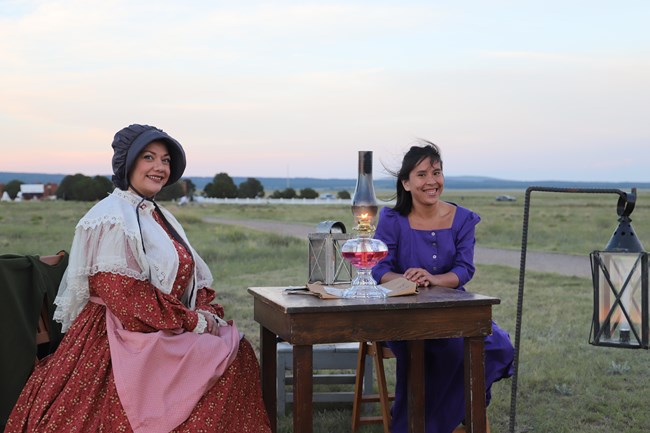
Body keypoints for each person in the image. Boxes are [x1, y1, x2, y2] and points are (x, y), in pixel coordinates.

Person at [5, 124, 271, 433]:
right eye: (149, 157)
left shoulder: (157, 215)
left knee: (234, 348)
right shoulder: (111, 216)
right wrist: (192, 322)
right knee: (224, 355)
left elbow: (192, 278)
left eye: (166, 160)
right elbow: (126, 298)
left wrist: (204, 311)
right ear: (128, 163)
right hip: (121, 332)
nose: (160, 167)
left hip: (161, 325)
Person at [371, 140, 514, 433]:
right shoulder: (392, 219)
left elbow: (464, 270)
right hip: (404, 311)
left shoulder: (462, 219)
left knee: (498, 345)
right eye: (421, 174)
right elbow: (380, 269)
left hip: (454, 308)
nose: (431, 181)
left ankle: (442, 419)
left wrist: (434, 279)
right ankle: (430, 424)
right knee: (447, 349)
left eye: (436, 172)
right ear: (406, 183)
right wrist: (405, 281)